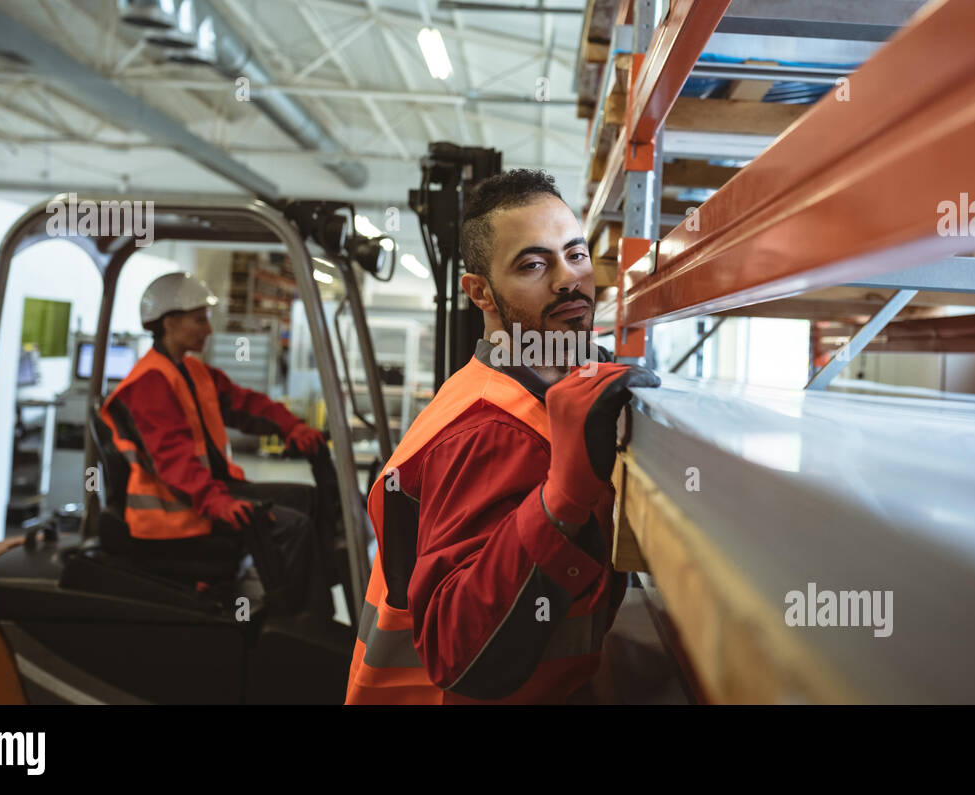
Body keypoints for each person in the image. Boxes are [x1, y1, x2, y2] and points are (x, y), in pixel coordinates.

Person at [345, 170, 660, 704]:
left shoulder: (522, 384)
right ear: (479, 292)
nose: (568, 279)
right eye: (534, 264)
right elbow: (455, 653)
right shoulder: (492, 431)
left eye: (576, 254)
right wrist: (562, 500)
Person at [98, 272, 335, 620]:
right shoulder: (148, 383)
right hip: (175, 513)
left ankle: (315, 601)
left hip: (210, 494)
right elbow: (172, 459)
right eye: (199, 319)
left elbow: (245, 404)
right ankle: (301, 624)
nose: (208, 329)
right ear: (170, 322)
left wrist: (292, 427)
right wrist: (216, 501)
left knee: (309, 500)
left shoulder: (192, 371)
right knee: (293, 527)